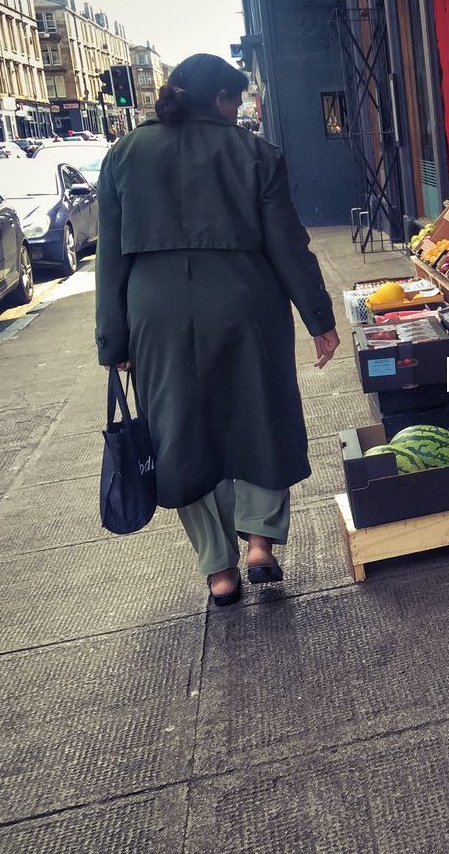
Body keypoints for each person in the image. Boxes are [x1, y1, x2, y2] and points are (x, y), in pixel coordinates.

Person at [95, 53, 340, 607]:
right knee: (260, 413)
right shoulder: (253, 152)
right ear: (220, 100)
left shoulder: (124, 155)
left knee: (181, 431)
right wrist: (318, 319)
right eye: (235, 101)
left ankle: (219, 570)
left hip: (154, 311)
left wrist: (114, 340)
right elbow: (287, 244)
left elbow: (109, 258)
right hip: (244, 301)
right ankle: (259, 544)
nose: (237, 111)